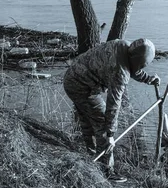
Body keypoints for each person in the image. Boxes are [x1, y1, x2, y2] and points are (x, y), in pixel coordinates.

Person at [63, 38, 160, 180]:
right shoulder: (119, 73)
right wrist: (110, 134)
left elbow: (131, 67)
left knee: (89, 119)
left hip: (74, 76)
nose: (140, 68)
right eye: (142, 66)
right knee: (101, 122)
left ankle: (90, 157)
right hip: (81, 86)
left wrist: (147, 79)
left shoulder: (123, 45)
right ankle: (106, 170)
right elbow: (113, 103)